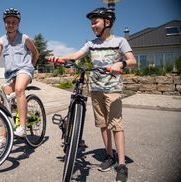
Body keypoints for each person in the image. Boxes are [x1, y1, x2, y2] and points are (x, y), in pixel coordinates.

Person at [49, 7, 136, 182]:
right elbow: (76, 55)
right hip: (95, 89)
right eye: (91, 22)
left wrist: (121, 64)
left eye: (95, 22)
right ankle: (109, 156)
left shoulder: (120, 41)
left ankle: (121, 164)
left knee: (116, 126)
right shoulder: (91, 44)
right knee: (103, 125)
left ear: (107, 22)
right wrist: (61, 58)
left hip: (112, 89)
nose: (92, 25)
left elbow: (132, 60)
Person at [0, 8, 39, 148]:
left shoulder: (25, 38)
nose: (11, 24)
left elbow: (36, 54)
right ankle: (3, 138)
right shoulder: (1, 41)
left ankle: (22, 127)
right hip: (10, 74)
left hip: (24, 69)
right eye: (8, 22)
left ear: (18, 23)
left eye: (14, 22)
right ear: (4, 23)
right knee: (6, 103)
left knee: (20, 89)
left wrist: (30, 67)